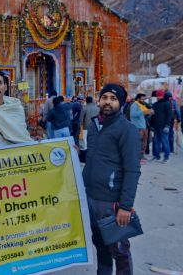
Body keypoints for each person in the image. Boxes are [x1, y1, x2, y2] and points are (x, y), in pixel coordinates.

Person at [83, 84, 141, 275]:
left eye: (113, 98)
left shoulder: (126, 130)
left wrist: (125, 206)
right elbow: (94, 156)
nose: (108, 101)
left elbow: (132, 170)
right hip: (91, 198)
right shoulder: (94, 126)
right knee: (100, 245)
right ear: (98, 100)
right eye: (104, 97)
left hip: (111, 201)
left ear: (121, 102)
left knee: (119, 250)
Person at [129, 93, 154, 164]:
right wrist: (144, 112)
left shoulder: (142, 105)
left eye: (144, 99)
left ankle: (142, 156)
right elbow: (133, 115)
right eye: (142, 99)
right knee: (138, 144)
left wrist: (149, 113)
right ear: (138, 99)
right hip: (137, 127)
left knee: (144, 143)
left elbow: (143, 115)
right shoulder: (134, 105)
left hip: (143, 127)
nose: (144, 100)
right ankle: (137, 158)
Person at [150, 90, 171, 163]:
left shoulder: (167, 103)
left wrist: (167, 125)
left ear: (163, 95)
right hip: (155, 126)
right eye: (158, 95)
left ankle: (166, 157)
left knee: (165, 141)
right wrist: (151, 125)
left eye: (160, 95)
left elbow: (169, 115)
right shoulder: (155, 104)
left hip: (163, 126)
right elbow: (152, 116)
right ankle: (157, 156)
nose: (159, 97)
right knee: (156, 142)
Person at [79, 96, 100, 162]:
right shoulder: (97, 108)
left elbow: (81, 119)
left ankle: (85, 157)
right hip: (96, 127)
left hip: (86, 127)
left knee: (85, 142)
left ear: (86, 101)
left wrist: (80, 126)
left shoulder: (84, 108)